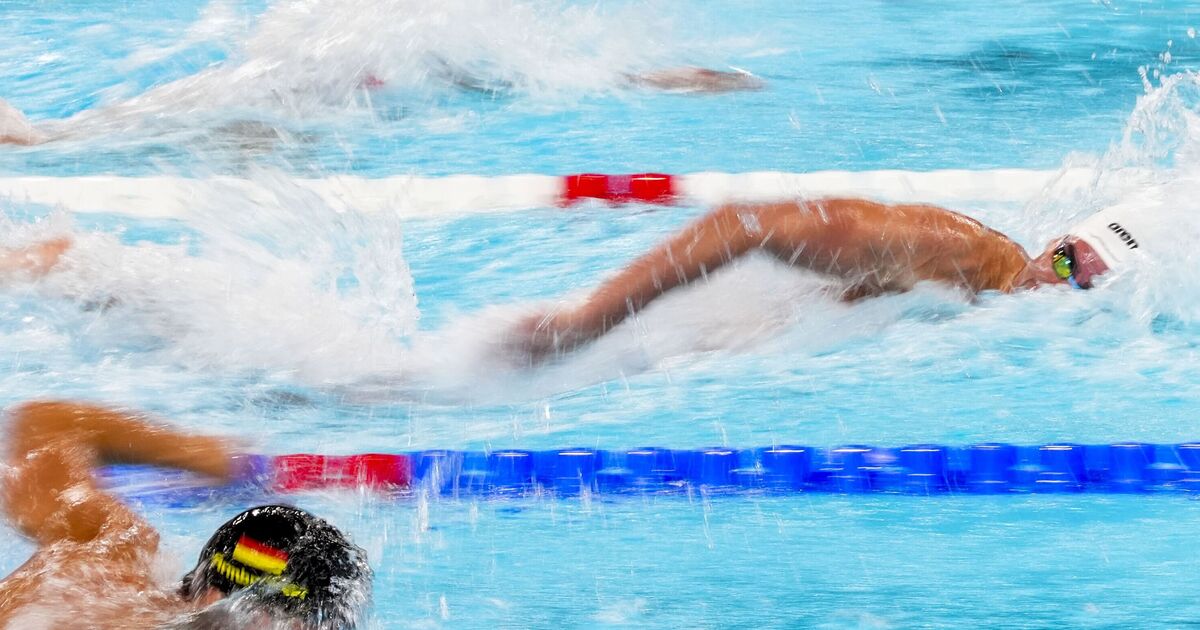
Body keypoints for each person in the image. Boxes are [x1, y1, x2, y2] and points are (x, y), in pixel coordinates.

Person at [514, 197, 1147, 360]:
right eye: (1064, 258)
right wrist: (587, 322)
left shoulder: (985, 303)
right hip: (632, 341)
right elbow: (743, 225)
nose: (1053, 281)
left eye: (1078, 283)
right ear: (1053, 241)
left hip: (701, 352)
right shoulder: (942, 249)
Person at [0, 400, 371, 629]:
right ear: (214, 601)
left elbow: (50, 425)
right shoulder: (87, 603)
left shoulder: (112, 548)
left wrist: (197, 452)